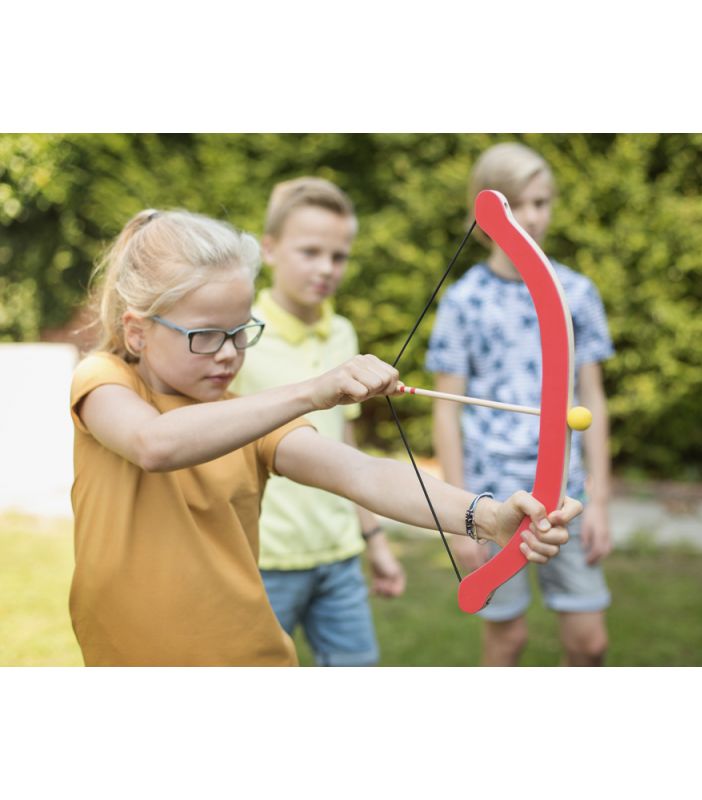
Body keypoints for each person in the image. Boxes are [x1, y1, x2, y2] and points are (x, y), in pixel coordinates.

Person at [69, 207, 580, 667]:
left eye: (240, 331)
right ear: (137, 331)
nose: (228, 353)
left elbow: (361, 473)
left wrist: (488, 517)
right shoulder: (103, 381)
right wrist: (313, 391)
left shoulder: (246, 417)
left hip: (249, 660)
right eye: (205, 335)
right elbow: (153, 445)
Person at [426, 141, 614, 667]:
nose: (532, 216)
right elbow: (446, 409)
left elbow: (591, 397)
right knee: (505, 642)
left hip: (565, 497)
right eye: (515, 204)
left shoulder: (575, 291)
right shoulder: (465, 299)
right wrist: (460, 515)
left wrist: (598, 500)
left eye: (541, 201)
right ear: (485, 211)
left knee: (589, 643)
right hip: (492, 496)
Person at [231, 177, 405, 666]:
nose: (327, 268)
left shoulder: (343, 334)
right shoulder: (238, 334)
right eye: (309, 252)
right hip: (263, 560)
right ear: (269, 249)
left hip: (339, 556)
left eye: (339, 255)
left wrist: (375, 542)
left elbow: (346, 445)